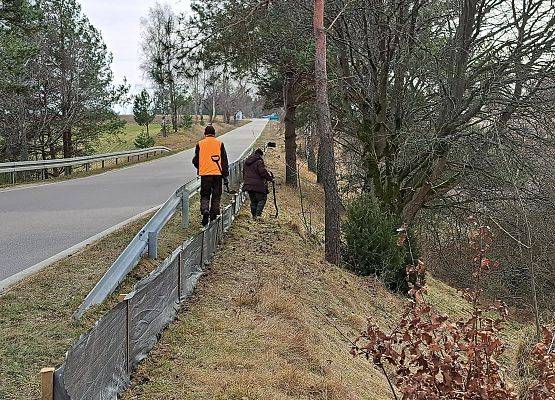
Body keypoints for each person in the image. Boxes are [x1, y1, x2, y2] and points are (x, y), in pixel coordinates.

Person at [192, 125, 229, 226]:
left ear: (205, 133)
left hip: (205, 175)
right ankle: (213, 217)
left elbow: (195, 160)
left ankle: (205, 210)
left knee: (205, 195)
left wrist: (201, 167)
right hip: (217, 175)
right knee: (216, 196)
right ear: (214, 134)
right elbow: (224, 162)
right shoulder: (220, 144)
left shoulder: (200, 144)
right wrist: (225, 175)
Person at [243, 148, 274, 219]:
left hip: (248, 185)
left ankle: (254, 216)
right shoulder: (259, 161)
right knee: (262, 199)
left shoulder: (247, 162)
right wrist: (270, 179)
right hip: (257, 185)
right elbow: (263, 172)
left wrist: (246, 181)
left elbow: (244, 173)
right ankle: (258, 215)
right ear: (260, 155)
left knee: (253, 201)